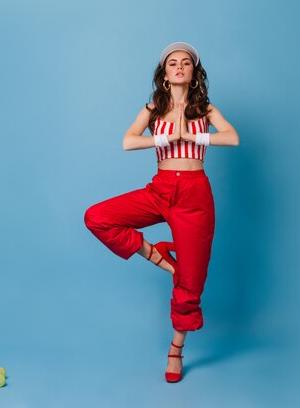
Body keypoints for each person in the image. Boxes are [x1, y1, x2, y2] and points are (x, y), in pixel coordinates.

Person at [84, 42, 239, 383]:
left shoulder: (206, 109)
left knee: (192, 285)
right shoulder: (153, 108)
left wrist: (195, 138)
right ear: (165, 75)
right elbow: (128, 140)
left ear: (194, 74)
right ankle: (161, 257)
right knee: (97, 217)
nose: (180, 66)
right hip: (161, 189)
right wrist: (164, 140)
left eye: (186, 63)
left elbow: (233, 137)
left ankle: (176, 350)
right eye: (173, 63)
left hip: (196, 196)